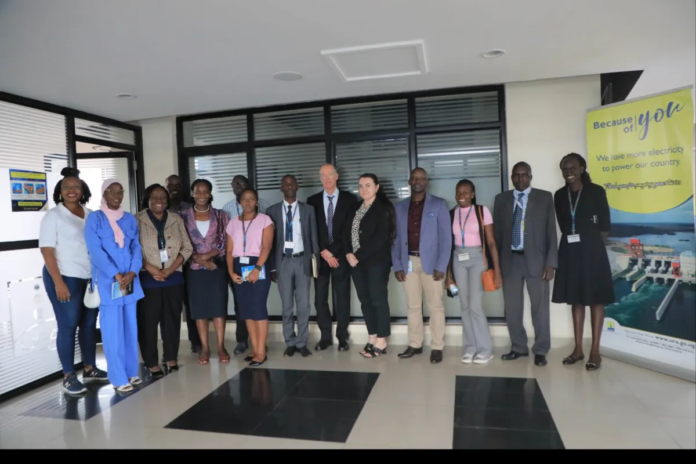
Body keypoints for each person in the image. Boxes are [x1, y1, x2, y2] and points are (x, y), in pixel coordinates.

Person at [40, 167, 108, 394]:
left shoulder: (90, 214)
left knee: (88, 325)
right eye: (66, 187)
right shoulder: (53, 215)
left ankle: (90, 369)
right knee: (68, 325)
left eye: (76, 186)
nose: (71, 190)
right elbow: (47, 251)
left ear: (83, 190)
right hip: (64, 277)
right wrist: (58, 282)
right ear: (59, 191)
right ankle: (68, 376)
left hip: (89, 277)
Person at [553, 153, 614, 371]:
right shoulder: (559, 195)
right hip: (570, 253)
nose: (568, 172)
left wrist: (591, 247)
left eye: (572, 168)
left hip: (593, 253)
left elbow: (605, 226)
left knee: (596, 300)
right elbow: (563, 225)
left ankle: (595, 351)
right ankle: (578, 349)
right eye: (564, 169)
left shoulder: (596, 191)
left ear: (582, 168)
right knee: (576, 300)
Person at [494, 162, 558, 367]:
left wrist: (551, 263)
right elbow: (497, 234)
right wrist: (496, 266)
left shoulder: (544, 197)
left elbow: (551, 231)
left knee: (539, 308)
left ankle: (541, 349)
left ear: (530, 176)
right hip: (510, 261)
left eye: (524, 175)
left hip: (537, 261)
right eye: (516, 175)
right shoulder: (501, 199)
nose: (520, 179)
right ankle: (518, 347)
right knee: (512, 308)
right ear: (512, 177)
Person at [84, 178, 145, 393]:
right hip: (109, 283)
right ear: (104, 194)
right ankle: (118, 378)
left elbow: (136, 247)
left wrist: (133, 271)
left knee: (130, 328)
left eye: (120, 191)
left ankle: (131, 372)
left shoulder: (129, 219)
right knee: (112, 331)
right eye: (112, 191)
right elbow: (95, 251)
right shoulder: (95, 218)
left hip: (129, 281)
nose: (117, 195)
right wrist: (115, 274)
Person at [391, 168, 451, 364]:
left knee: (436, 306)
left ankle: (437, 346)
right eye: (414, 178)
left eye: (421, 178)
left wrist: (441, 266)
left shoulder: (439, 205)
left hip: (432, 264)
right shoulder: (400, 207)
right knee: (413, 306)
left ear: (427, 182)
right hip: (408, 261)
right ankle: (415, 344)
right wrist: (397, 265)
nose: (418, 181)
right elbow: (395, 239)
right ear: (409, 181)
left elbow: (446, 238)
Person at [135, 184, 193, 377]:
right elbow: (132, 249)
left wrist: (170, 269)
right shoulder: (136, 219)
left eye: (162, 197)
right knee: (148, 323)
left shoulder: (176, 219)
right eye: (154, 197)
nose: (159, 200)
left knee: (171, 322)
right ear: (147, 199)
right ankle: (151, 362)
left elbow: (187, 247)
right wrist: (151, 268)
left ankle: (171, 357)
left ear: (167, 200)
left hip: (173, 279)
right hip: (147, 280)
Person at [445, 179, 503, 365]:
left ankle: (485, 350)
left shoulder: (482, 211)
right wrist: (448, 276)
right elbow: (448, 245)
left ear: (472, 194)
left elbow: (491, 242)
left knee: (475, 306)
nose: (461, 195)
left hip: (478, 258)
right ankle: (470, 348)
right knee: (464, 305)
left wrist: (497, 270)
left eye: (465, 192)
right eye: (458, 192)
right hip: (458, 258)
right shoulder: (452, 213)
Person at [267, 175, 320, 358]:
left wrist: (315, 264)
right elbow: (270, 243)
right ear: (281, 188)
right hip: (283, 262)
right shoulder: (272, 211)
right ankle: (289, 341)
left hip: (302, 260)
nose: (289, 186)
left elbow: (314, 238)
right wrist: (272, 267)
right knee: (287, 306)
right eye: (286, 184)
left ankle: (302, 342)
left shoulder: (308, 210)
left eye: (292, 183)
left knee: (304, 305)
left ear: (297, 187)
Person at [343, 173, 396, 358]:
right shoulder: (354, 207)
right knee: (365, 300)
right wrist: (348, 253)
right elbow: (345, 232)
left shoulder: (384, 208)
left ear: (377, 187)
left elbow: (380, 238)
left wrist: (356, 255)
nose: (364, 189)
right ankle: (372, 336)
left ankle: (382, 339)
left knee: (377, 300)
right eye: (360, 186)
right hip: (355, 262)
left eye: (368, 185)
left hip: (376, 262)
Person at [307, 164, 358, 351]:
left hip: (341, 256)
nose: (327, 178)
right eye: (323, 175)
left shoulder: (349, 199)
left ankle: (342, 337)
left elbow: (349, 230)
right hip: (320, 257)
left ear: (337, 176)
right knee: (320, 298)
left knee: (342, 297)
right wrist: (324, 251)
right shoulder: (312, 201)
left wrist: (333, 252)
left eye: (330, 174)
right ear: (320, 178)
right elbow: (311, 230)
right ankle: (325, 337)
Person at [180, 179, 230, 365]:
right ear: (192, 193)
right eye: (197, 191)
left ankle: (220, 346)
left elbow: (225, 241)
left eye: (205, 191)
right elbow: (181, 242)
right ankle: (205, 347)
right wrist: (198, 259)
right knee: (199, 309)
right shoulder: (182, 216)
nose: (201, 195)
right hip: (194, 270)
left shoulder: (221, 215)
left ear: (210, 194)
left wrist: (208, 257)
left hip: (216, 267)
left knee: (219, 307)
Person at [221, 175, 269, 354]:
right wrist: (231, 273)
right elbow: (229, 251)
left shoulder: (265, 220)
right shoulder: (232, 223)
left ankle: (261, 352)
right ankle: (255, 349)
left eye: (251, 199)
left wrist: (257, 268)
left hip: (258, 265)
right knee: (246, 310)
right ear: (240, 202)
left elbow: (267, 247)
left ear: (256, 202)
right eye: (244, 199)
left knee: (258, 309)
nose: (248, 202)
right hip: (238, 267)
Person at [165, 174, 199, 354]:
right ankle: (171, 347)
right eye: (171, 185)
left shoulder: (191, 208)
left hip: (191, 263)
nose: (174, 188)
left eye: (178, 184)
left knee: (192, 303)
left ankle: (196, 341)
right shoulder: (162, 209)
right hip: (170, 265)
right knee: (172, 307)